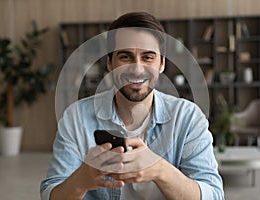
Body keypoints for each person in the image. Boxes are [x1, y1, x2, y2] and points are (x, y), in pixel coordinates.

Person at [40, 11, 224, 200]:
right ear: (110, 63)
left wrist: (160, 170)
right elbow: (50, 194)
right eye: (125, 57)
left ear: (161, 64)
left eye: (148, 57)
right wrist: (82, 180)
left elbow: (214, 195)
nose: (137, 68)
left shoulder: (188, 117)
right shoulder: (76, 118)